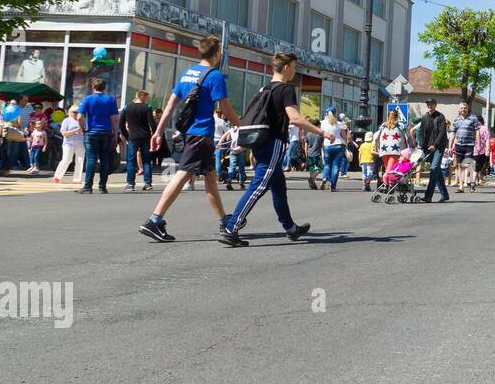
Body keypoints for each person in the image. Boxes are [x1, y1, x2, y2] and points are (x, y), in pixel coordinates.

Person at [221, 52, 335, 247]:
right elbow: (295, 118)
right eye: (293, 67)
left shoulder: (265, 88)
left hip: (259, 142)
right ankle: (232, 227)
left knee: (279, 189)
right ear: (285, 68)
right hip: (272, 142)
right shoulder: (286, 89)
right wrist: (322, 133)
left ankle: (290, 228)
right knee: (258, 186)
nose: (294, 71)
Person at [139, 36, 239, 242]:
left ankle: (224, 220)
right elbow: (225, 108)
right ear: (217, 53)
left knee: (210, 177)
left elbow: (170, 106)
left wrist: (158, 132)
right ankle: (154, 220)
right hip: (202, 134)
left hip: (190, 134)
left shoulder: (186, 74)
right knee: (183, 174)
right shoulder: (215, 76)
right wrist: (241, 124)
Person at [76, 77, 120, 193]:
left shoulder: (87, 99)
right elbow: (114, 119)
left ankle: (87, 187)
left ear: (93, 87)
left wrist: (83, 129)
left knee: (91, 159)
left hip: (91, 132)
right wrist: (115, 134)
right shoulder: (111, 100)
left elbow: (79, 117)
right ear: (105, 87)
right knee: (104, 159)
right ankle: (102, 187)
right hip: (106, 132)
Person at [120, 89, 154, 191]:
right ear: (141, 96)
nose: (147, 100)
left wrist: (126, 135)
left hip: (133, 137)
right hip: (145, 136)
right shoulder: (147, 107)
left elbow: (121, 124)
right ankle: (147, 183)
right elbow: (152, 123)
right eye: (146, 97)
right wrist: (154, 134)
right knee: (146, 160)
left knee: (131, 160)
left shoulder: (127, 107)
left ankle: (130, 184)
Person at [417, 99, 451, 203]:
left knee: (433, 168)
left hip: (438, 147)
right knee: (437, 171)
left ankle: (428, 196)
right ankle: (444, 194)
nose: (430, 106)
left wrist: (435, 145)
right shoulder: (425, 117)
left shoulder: (440, 116)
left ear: (435, 105)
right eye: (428, 104)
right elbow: (421, 133)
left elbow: (441, 133)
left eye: (431, 104)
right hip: (427, 148)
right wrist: (421, 145)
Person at [449, 103, 479, 193]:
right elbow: (453, 133)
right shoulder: (456, 120)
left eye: (465, 108)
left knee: (468, 164)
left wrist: (478, 144)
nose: (463, 109)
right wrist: (450, 146)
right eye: (461, 108)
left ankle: (471, 182)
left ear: (468, 108)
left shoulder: (473, 118)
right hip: (459, 145)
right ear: (459, 109)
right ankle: (461, 186)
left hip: (469, 144)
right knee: (459, 166)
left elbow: (477, 131)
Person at [52, 105, 84, 184]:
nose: (76, 114)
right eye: (74, 112)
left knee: (80, 160)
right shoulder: (66, 120)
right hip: (68, 143)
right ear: (70, 112)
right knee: (66, 159)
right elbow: (63, 133)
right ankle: (58, 176)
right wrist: (76, 130)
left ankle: (77, 179)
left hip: (81, 143)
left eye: (78, 112)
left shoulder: (82, 120)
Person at [319, 110, 347, 191]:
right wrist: (346, 143)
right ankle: (333, 186)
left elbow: (320, 133)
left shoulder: (322, 123)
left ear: (326, 114)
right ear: (335, 114)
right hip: (339, 145)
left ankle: (325, 178)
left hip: (327, 145)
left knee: (327, 164)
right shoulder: (339, 123)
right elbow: (344, 136)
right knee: (336, 166)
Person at [375, 109, 405, 180]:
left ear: (388, 116)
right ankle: (386, 180)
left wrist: (377, 148)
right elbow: (405, 137)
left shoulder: (383, 125)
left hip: (384, 149)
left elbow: (376, 136)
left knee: (387, 167)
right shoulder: (400, 125)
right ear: (397, 116)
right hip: (395, 150)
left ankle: (388, 185)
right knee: (390, 169)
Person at [474, 115, 491, 186]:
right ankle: (478, 179)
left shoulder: (483, 128)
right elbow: (487, 139)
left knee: (477, 165)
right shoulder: (484, 128)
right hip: (479, 149)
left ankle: (477, 179)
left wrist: (487, 148)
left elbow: (487, 139)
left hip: (477, 149)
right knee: (481, 165)